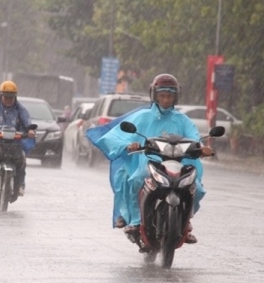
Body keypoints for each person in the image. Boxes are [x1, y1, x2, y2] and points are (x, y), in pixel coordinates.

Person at [90, 74, 213, 244]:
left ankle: (185, 222)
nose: (165, 99)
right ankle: (135, 221)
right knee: (135, 180)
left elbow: (194, 138)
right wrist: (129, 145)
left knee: (197, 189)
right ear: (155, 96)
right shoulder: (142, 117)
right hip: (147, 162)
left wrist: (201, 148)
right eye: (162, 95)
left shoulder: (183, 120)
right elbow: (116, 136)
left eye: (169, 96)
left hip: (180, 163)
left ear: (175, 97)